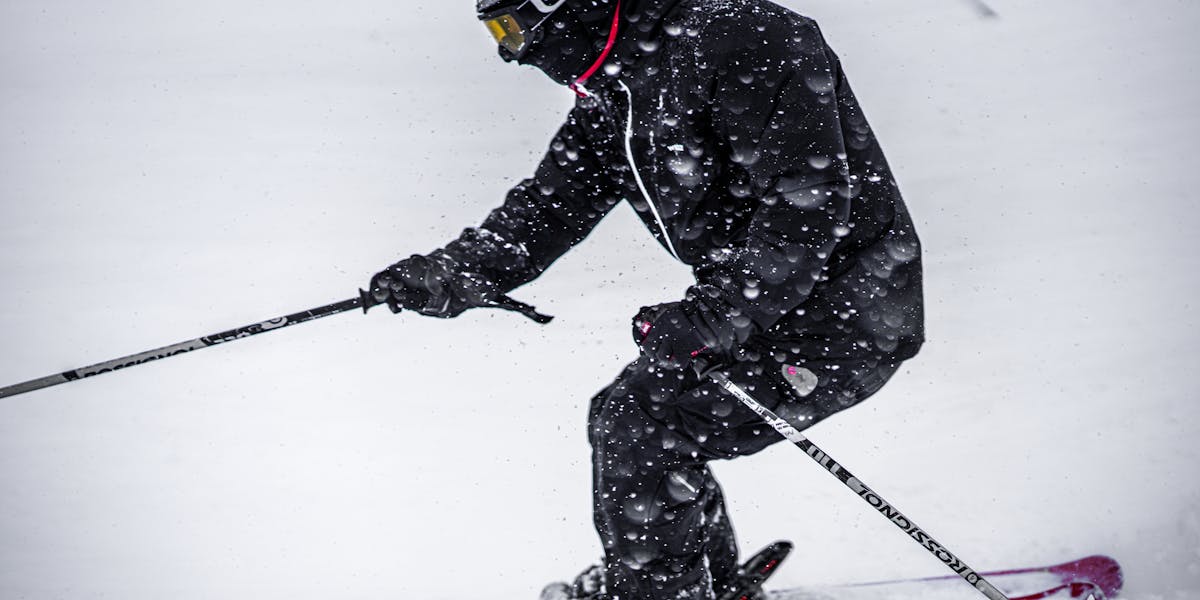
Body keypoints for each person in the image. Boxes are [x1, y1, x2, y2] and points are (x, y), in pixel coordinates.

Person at [367, 0, 924, 598]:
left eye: (513, 25)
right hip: (760, 305)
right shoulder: (622, 82)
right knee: (632, 418)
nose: (513, 51)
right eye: (497, 32)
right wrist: (449, 273)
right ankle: (699, 583)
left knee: (642, 427)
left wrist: (715, 317)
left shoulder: (738, 36)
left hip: (841, 310)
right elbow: (552, 205)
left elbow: (806, 199)